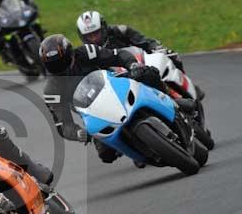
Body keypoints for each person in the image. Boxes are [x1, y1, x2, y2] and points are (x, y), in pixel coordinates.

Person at [39, 34, 181, 164]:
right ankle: (137, 150)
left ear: (71, 53)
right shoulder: (51, 91)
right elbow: (63, 125)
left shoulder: (86, 52)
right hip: (94, 112)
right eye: (54, 66)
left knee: (149, 74)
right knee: (106, 155)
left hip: (115, 85)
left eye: (62, 62)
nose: (61, 69)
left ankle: (173, 102)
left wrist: (132, 65)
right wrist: (78, 133)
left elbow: (118, 55)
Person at [75, 10, 193, 75]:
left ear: (104, 27)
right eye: (89, 36)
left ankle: (188, 86)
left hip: (140, 64)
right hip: (117, 78)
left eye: (96, 33)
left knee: (172, 56)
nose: (94, 38)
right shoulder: (86, 53)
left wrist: (157, 48)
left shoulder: (120, 31)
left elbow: (144, 41)